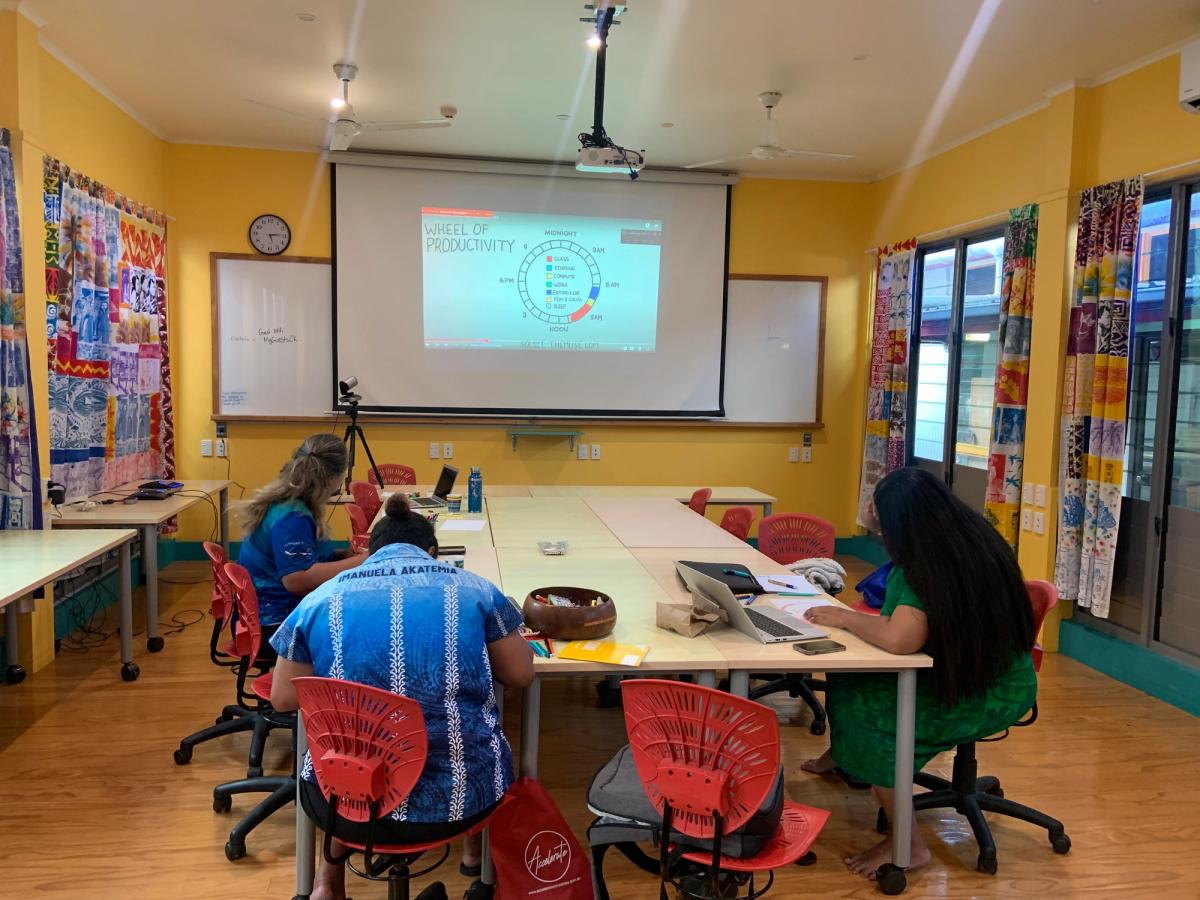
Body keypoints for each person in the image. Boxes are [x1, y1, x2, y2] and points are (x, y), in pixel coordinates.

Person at [269, 493, 535, 900]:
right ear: (433, 552)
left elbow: (283, 699)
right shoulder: (475, 590)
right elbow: (520, 674)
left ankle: (327, 880)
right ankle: (474, 857)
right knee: (472, 725)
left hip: (347, 801)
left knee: (352, 740)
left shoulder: (319, 600)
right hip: (461, 799)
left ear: (368, 552)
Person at [801, 467, 1037, 880]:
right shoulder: (968, 536)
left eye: (881, 519)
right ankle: (842, 756)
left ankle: (907, 845)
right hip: (983, 670)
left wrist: (843, 618)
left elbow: (900, 639)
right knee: (850, 676)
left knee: (869, 716)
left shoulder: (925, 562)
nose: (877, 525)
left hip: (983, 690)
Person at [237, 434, 367, 633]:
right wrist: (367, 559)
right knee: (367, 621)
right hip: (275, 624)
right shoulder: (292, 517)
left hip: (267, 612)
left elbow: (300, 558)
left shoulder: (290, 501)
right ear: (335, 478)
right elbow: (296, 580)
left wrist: (340, 556)